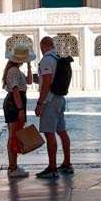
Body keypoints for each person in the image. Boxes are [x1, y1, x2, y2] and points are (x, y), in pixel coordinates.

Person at [34, 33, 72, 179]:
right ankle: (67, 163)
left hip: (49, 101)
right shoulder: (58, 57)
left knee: (49, 133)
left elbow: (47, 84)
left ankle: (52, 167)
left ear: (43, 46)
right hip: (60, 99)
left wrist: (39, 103)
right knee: (62, 131)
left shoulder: (46, 60)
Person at [2, 46, 30, 179]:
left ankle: (14, 166)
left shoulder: (16, 70)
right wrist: (20, 110)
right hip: (14, 103)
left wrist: (30, 66)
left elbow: (29, 81)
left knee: (15, 134)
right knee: (13, 135)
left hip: (16, 102)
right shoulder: (13, 71)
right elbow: (15, 91)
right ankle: (12, 167)